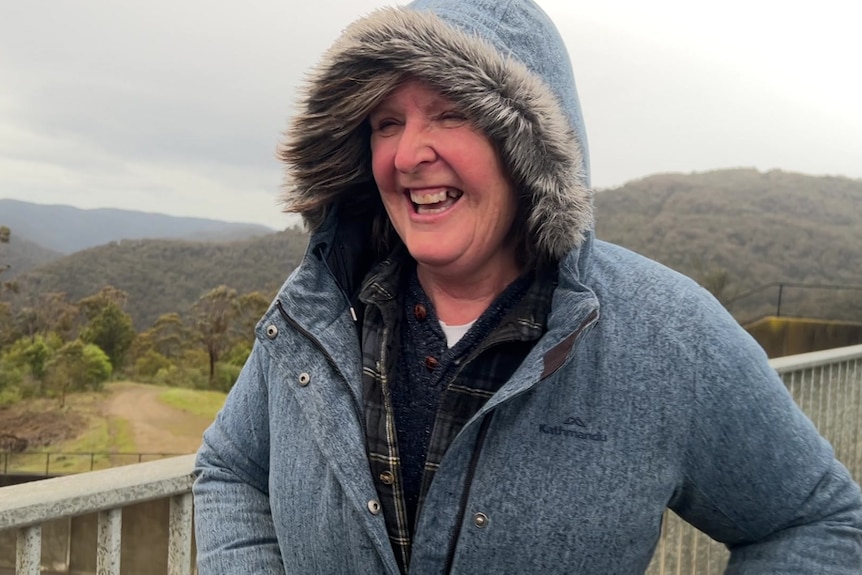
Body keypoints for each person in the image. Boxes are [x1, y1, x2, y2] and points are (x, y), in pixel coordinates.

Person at [192, 0, 862, 572]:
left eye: (451, 113)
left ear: (530, 147)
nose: (406, 154)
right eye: (385, 122)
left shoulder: (668, 335)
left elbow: (815, 522)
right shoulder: (319, 309)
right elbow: (229, 467)